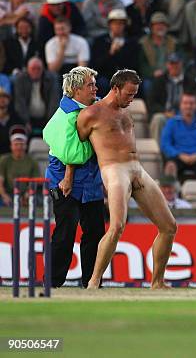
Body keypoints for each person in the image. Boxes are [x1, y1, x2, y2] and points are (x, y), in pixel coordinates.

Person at [76, 69, 178, 289]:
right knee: (116, 227)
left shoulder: (125, 111)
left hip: (136, 169)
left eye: (134, 95)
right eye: (129, 94)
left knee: (169, 226)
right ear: (115, 88)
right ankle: (94, 281)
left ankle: (157, 282)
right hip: (114, 170)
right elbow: (74, 148)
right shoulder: (90, 114)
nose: (131, 99)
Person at [42, 66, 105, 288]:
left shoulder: (86, 109)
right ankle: (52, 283)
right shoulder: (68, 114)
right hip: (64, 182)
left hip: (90, 183)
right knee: (65, 233)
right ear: (76, 90)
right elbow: (74, 154)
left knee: (96, 231)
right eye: (90, 85)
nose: (95, 88)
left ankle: (91, 282)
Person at [147, 53, 196, 143]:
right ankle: (159, 154)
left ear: (181, 64)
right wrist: (165, 112)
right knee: (158, 119)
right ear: (167, 65)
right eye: (171, 63)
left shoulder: (190, 81)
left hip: (185, 114)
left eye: (176, 63)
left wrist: (185, 113)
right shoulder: (159, 81)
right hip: (165, 114)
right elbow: (151, 103)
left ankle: (187, 153)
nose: (174, 66)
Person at [13, 57, 59, 136]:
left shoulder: (51, 79)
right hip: (27, 118)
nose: (36, 71)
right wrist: (26, 121)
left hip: (46, 118)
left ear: (43, 69)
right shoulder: (20, 80)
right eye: (33, 69)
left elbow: (54, 102)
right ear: (27, 69)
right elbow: (20, 103)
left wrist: (50, 122)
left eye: (38, 69)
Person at [0, 128, 40, 206]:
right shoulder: (4, 160)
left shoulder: (32, 161)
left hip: (26, 194)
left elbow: (36, 181)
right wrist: (4, 196)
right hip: (9, 193)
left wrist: (27, 194)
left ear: (26, 146)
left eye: (21, 144)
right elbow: (0, 181)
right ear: (11, 146)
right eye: (16, 144)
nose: (19, 147)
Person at [0, 89, 25, 155]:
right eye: (0, 97)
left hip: (12, 156)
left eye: (4, 97)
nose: (2, 99)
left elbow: (20, 141)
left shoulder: (16, 119)